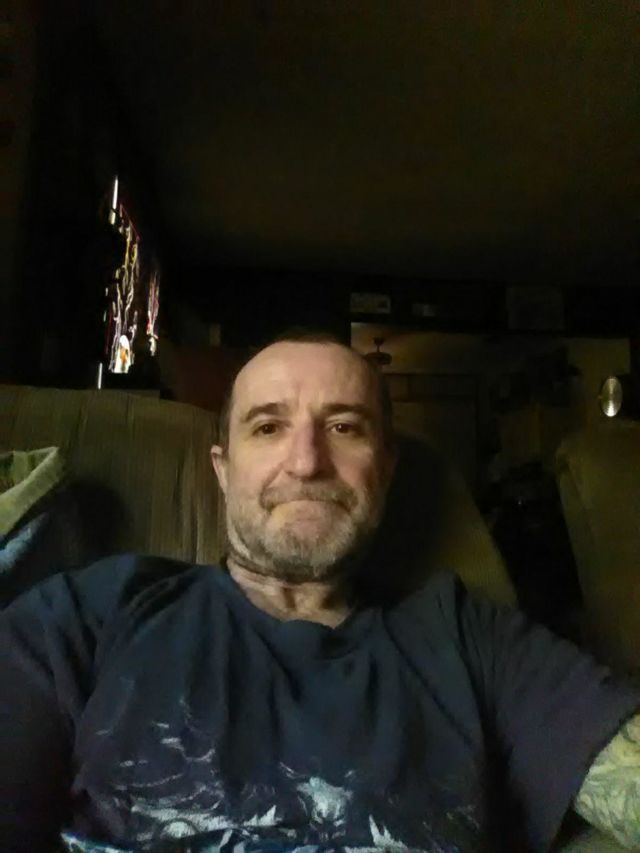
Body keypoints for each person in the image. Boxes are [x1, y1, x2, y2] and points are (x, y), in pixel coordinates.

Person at [2, 330, 640, 853]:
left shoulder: (475, 639)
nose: (307, 462)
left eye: (343, 427)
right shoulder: (87, 616)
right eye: (268, 428)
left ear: (386, 467)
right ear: (223, 469)